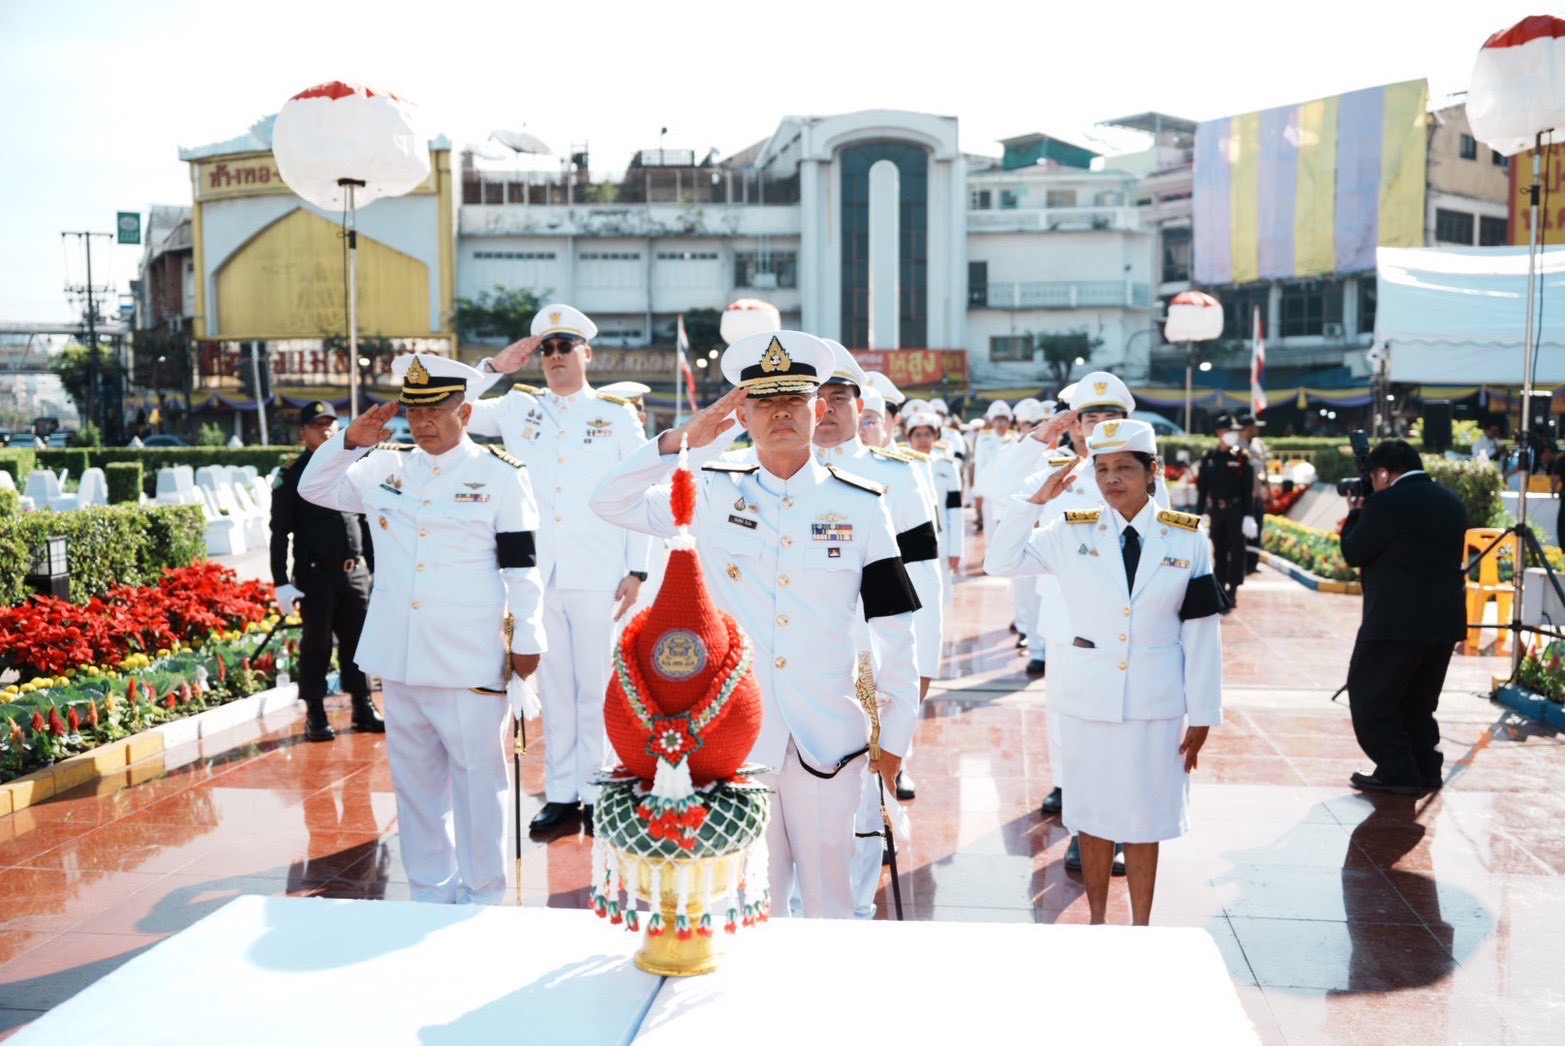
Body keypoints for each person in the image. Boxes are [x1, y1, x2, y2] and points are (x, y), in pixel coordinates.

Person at [590, 330, 921, 919]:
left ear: (819, 409)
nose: (781, 414)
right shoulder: (712, 490)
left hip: (829, 732)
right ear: (742, 415)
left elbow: (894, 625)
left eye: (794, 401)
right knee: (744, 898)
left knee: (831, 898)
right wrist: (683, 440)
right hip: (738, 732)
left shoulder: (862, 504)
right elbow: (609, 501)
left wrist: (895, 739)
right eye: (764, 403)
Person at [298, 354, 547, 904]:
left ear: (466, 411)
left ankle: (482, 896)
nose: (423, 422)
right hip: (401, 655)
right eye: (414, 412)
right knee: (415, 789)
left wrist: (528, 642)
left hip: (468, 657)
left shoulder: (501, 475)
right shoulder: (382, 467)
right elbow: (313, 488)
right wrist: (350, 442)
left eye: (435, 410)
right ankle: (431, 894)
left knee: (478, 784)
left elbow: (522, 568)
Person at [985, 418, 1224, 925]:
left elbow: (1202, 631)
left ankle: (1140, 926)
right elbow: (1000, 562)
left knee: (1146, 818)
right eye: (1102, 469)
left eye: (1124, 468)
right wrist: (1035, 500)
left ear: (1153, 471)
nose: (1111, 478)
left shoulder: (1187, 538)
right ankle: (1096, 922)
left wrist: (1204, 713)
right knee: (1091, 817)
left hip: (1157, 701)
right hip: (1089, 699)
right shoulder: (1070, 531)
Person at [467, 304, 653, 835]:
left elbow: (638, 487)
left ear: (586, 354)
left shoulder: (616, 414)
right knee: (553, 689)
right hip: (537, 572)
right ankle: (563, 794)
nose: (554, 356)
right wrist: (494, 367)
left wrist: (637, 569)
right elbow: (456, 409)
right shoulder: (517, 406)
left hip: (599, 570)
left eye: (564, 346)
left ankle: (596, 791)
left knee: (594, 687)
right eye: (545, 349)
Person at [1340, 439, 1466, 795]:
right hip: (1444, 621)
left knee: (1370, 699)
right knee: (1418, 703)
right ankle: (1425, 769)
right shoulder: (1451, 500)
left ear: (1383, 474)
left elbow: (1354, 551)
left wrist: (1356, 512)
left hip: (1394, 623)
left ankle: (1397, 770)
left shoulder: (1384, 503)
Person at [269, 401, 382, 742]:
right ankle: (315, 713)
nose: (327, 430)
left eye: (331, 424)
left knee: (359, 644)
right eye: (318, 425)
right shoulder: (293, 473)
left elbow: (365, 522)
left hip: (355, 573)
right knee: (317, 646)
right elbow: (279, 532)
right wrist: (281, 582)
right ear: (303, 432)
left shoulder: (352, 467)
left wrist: (380, 571)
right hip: (316, 575)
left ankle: (363, 706)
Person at [1195, 414, 1255, 607]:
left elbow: (1248, 490)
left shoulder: (1242, 458)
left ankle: (1233, 589)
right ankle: (1220, 588)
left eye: (1234, 431)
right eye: (1228, 430)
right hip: (1216, 511)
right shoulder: (1209, 458)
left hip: (1236, 511)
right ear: (1219, 432)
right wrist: (1198, 514)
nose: (1232, 434)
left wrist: (1249, 516)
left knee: (1237, 552)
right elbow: (1202, 488)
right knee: (1218, 551)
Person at [1237, 413, 1269, 575]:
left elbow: (1265, 469)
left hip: (1257, 496)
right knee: (1240, 531)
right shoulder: (1236, 446)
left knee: (1257, 529)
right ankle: (1239, 563)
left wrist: (1268, 492)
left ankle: (1252, 563)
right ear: (1245, 429)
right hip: (1241, 498)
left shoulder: (1258, 444)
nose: (1256, 430)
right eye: (1253, 427)